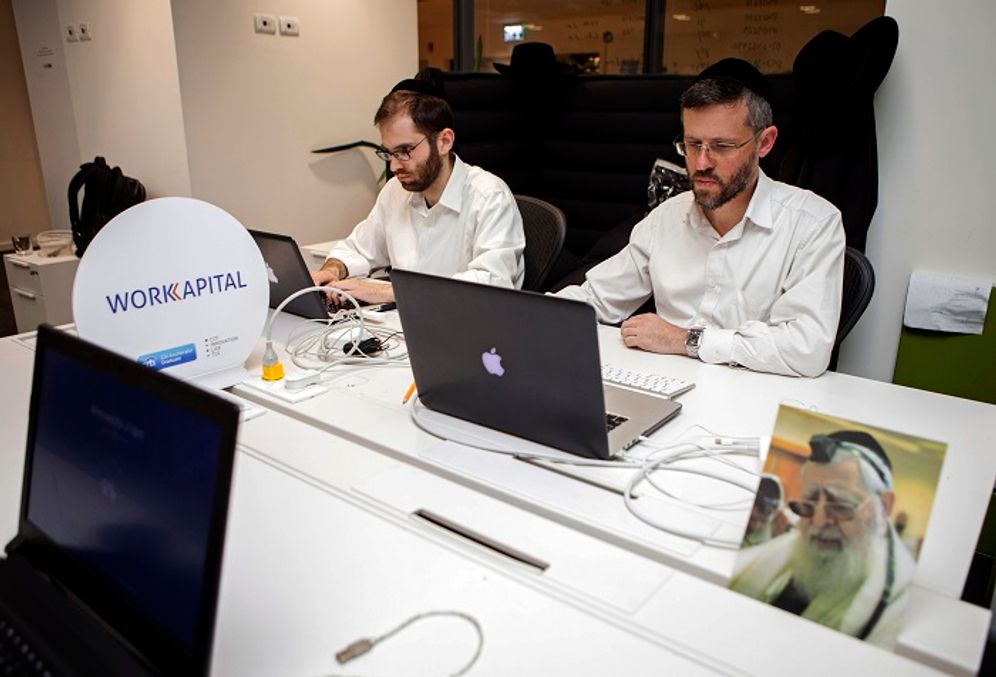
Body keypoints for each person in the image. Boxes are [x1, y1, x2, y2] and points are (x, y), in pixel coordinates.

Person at [555, 58, 845, 377]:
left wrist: (685, 341)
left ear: (765, 142)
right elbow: (595, 297)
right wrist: (529, 317)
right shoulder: (666, 217)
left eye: (721, 146)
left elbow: (806, 349)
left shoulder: (813, 224)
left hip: (756, 399)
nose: (701, 163)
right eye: (693, 145)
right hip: (667, 387)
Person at [311, 80, 525, 304]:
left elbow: (491, 284)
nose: (394, 166)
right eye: (389, 153)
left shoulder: (489, 196)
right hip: (402, 323)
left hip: (469, 327)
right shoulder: (395, 191)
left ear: (444, 141)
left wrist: (387, 292)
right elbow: (360, 248)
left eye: (404, 151)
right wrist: (333, 269)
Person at [730, 431, 916, 649]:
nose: (818, 522)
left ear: (883, 507)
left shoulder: (900, 606)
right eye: (809, 504)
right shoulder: (785, 549)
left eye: (840, 506)